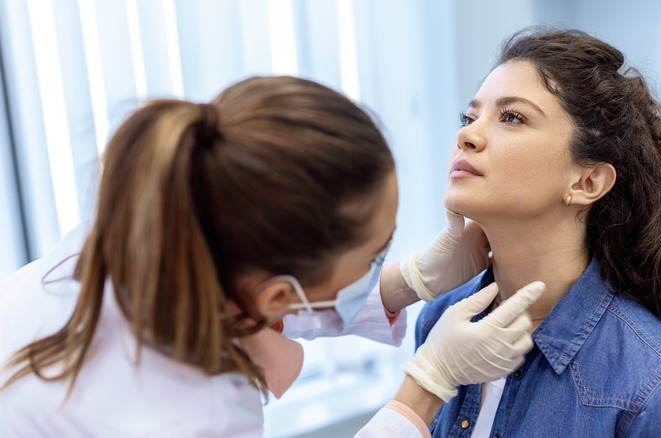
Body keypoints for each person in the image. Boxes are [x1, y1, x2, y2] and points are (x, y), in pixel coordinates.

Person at [0, 75, 546, 437]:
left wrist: (405, 282)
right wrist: (427, 384)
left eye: (514, 117)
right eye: (373, 257)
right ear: (279, 294)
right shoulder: (198, 416)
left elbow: (237, 296)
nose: (468, 136)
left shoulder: (133, 238)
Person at [413, 27, 661, 437]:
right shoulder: (439, 320)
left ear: (587, 182)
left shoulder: (659, 392)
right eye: (470, 116)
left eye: (512, 117)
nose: (467, 134)